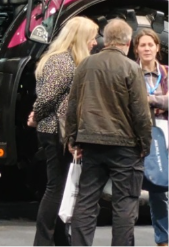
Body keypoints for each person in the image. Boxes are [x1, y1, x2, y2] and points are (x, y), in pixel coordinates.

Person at [65, 19, 151, 246]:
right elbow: (141, 112)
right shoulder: (132, 68)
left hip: (91, 143)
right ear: (129, 42)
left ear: (105, 39)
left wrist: (72, 138)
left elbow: (73, 104)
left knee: (85, 202)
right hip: (125, 147)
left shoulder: (85, 65)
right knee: (125, 204)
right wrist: (145, 144)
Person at [28, 16, 98, 246]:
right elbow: (47, 97)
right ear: (80, 38)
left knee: (60, 186)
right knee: (55, 187)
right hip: (54, 132)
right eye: (92, 37)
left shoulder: (70, 60)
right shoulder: (63, 62)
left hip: (60, 131)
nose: (95, 42)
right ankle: (43, 241)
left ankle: (59, 239)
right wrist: (35, 115)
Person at [135, 28, 169, 247]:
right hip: (141, 135)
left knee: (162, 189)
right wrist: (161, 99)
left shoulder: (167, 72)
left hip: (165, 134)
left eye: (150, 44)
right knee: (147, 191)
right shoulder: (130, 72)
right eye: (142, 45)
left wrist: (150, 99)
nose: (147, 49)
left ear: (158, 47)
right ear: (136, 49)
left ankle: (164, 240)